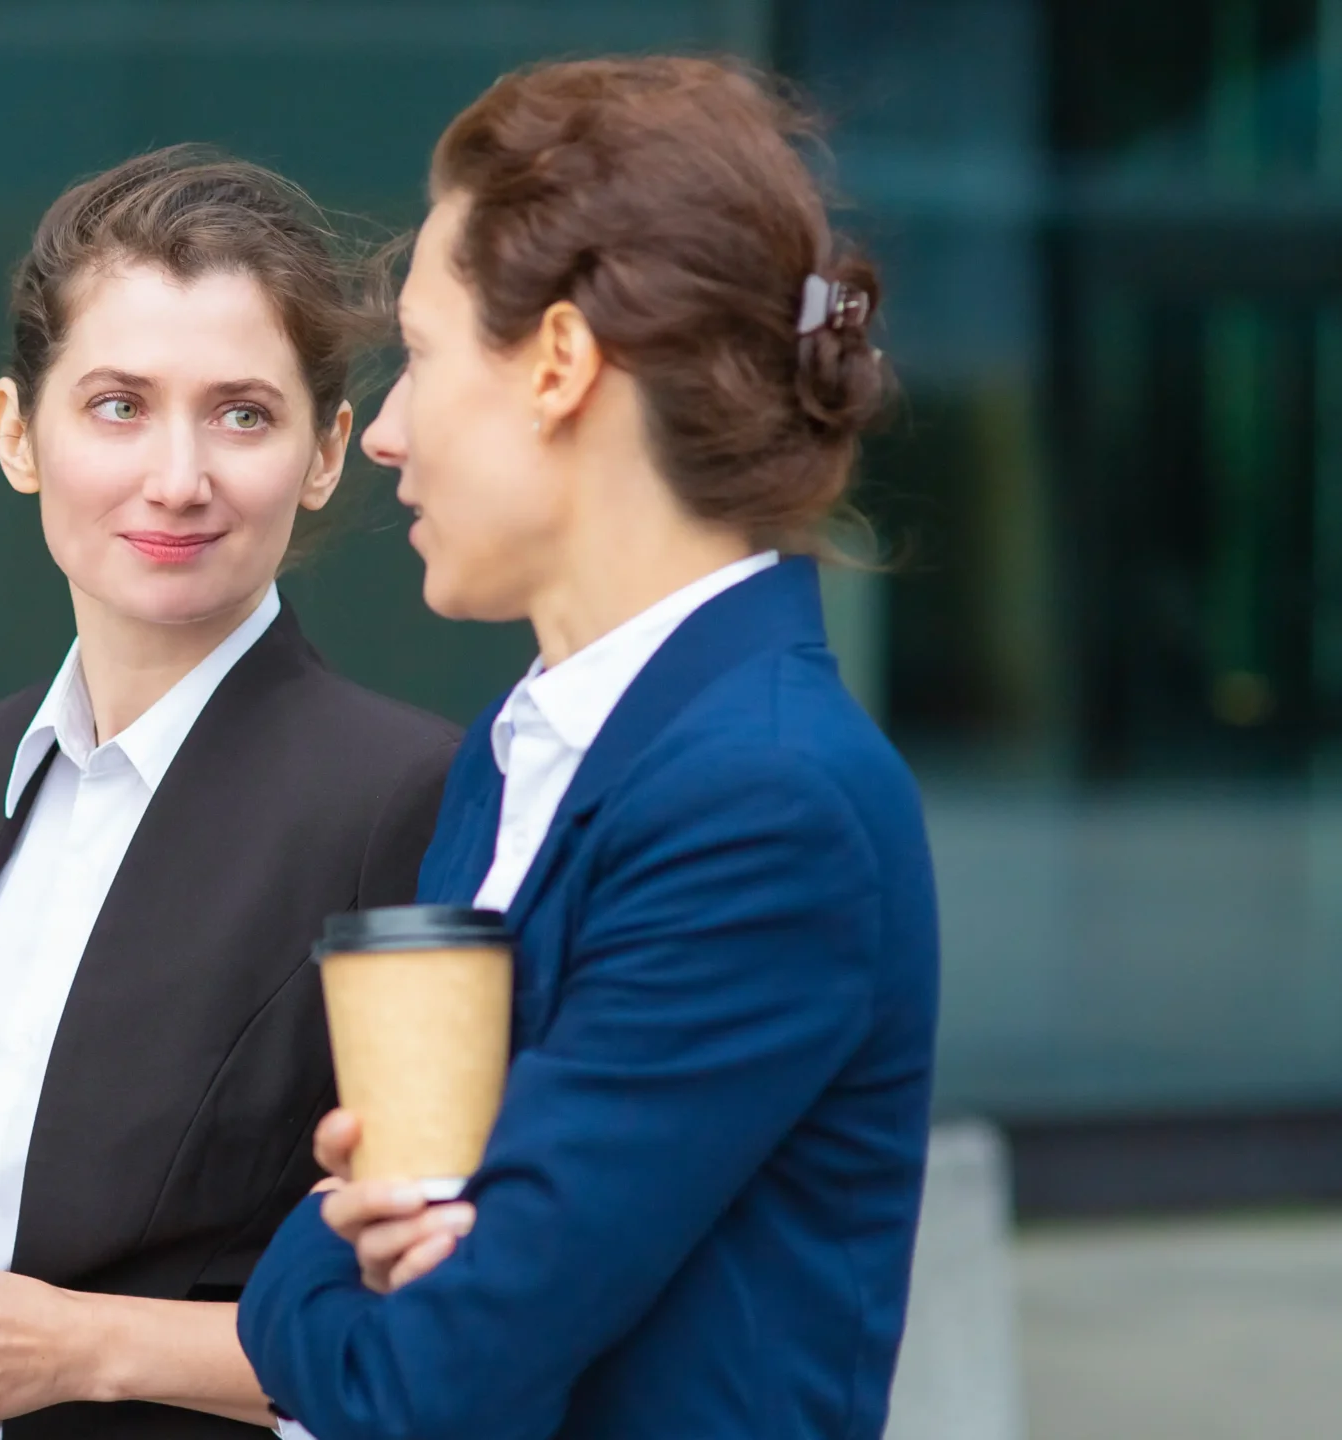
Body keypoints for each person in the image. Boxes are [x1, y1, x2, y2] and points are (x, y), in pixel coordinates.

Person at [238, 56, 938, 1440]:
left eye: (422, 358)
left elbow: (428, 1379)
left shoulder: (768, 803)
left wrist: (309, 1247)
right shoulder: (530, 741)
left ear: (559, 363)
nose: (381, 431)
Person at [0, 147, 460, 1440]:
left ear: (329, 450)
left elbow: (441, 1328)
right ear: (19, 433)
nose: (178, 477)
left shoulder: (401, 800)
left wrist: (74, 1349)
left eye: (243, 413)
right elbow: (0, 1193)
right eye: (118, 405)